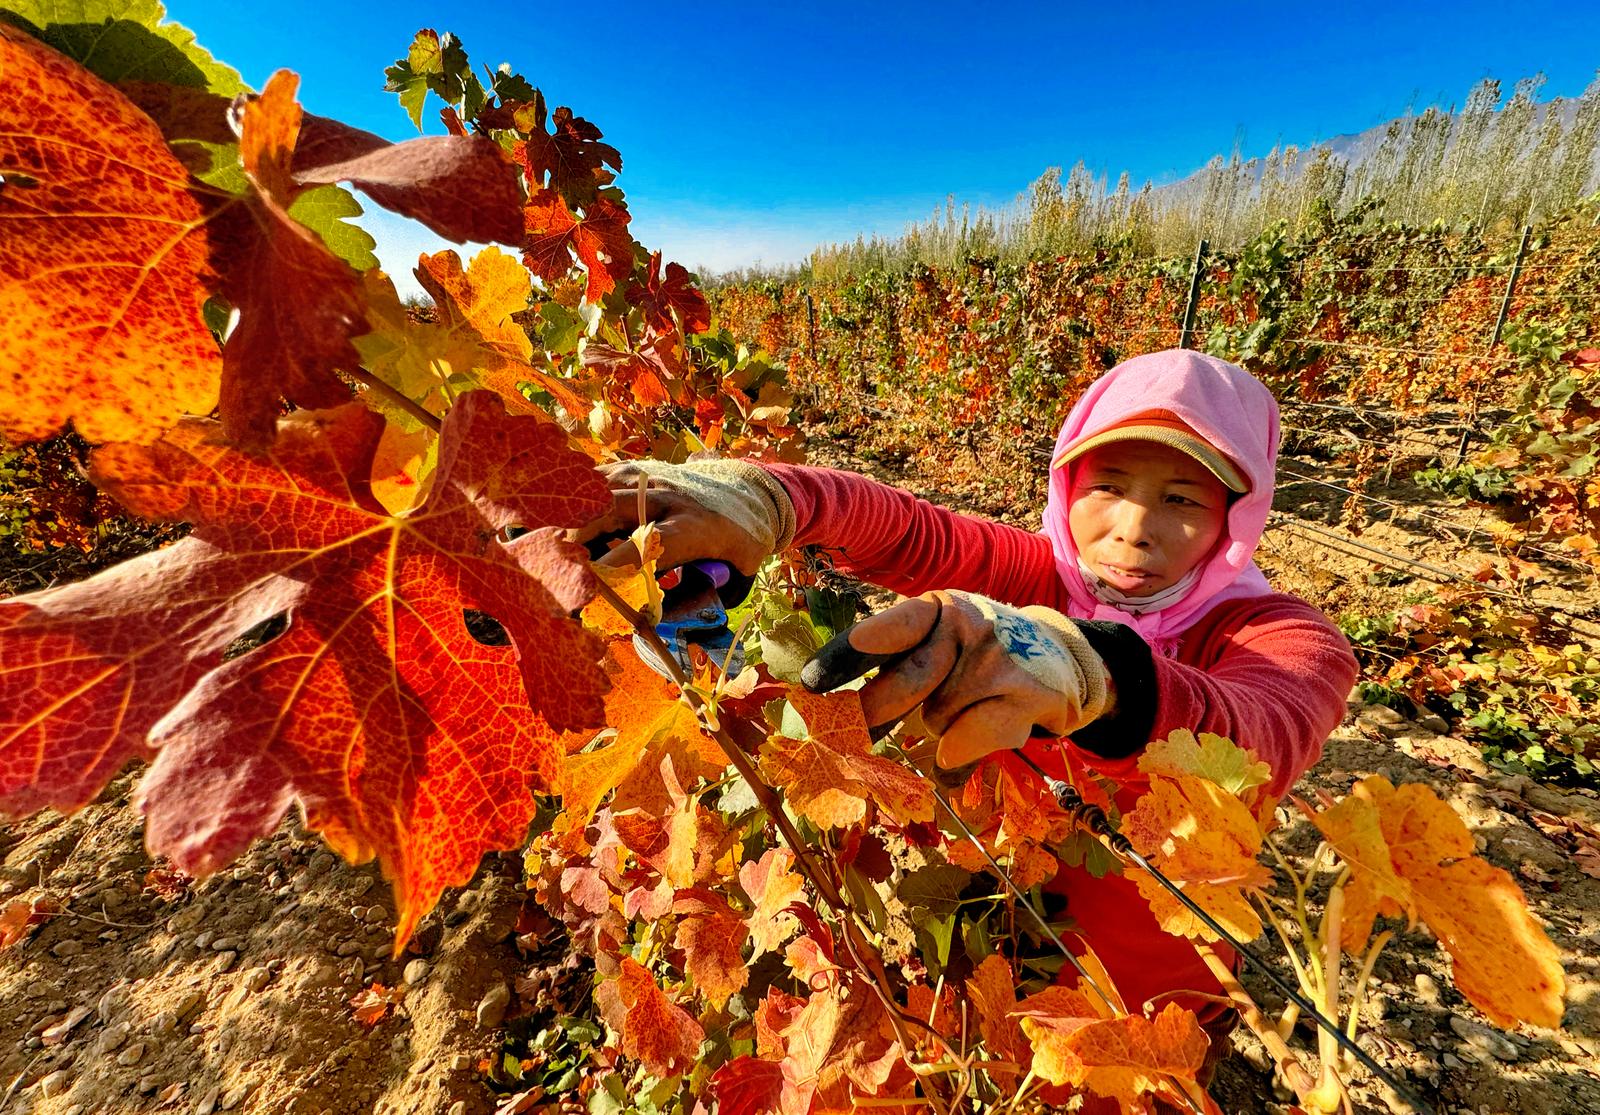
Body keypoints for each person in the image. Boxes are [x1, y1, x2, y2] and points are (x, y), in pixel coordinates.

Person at [579, 348, 1357, 1044]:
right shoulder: (1040, 574)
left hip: (1153, 992)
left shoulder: (1281, 633)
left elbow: (1269, 725)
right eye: (1107, 486)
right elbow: (911, 531)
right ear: (1067, 484)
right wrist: (769, 499)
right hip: (996, 939)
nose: (1133, 529)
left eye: (1182, 498)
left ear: (1236, 512)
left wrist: (1099, 673)